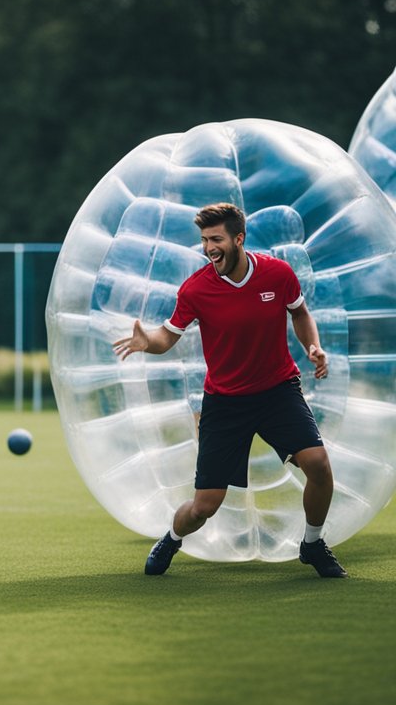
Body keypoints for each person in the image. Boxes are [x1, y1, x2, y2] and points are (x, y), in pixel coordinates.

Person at [113, 202, 346, 578]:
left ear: (239, 239)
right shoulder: (195, 289)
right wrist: (147, 341)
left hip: (278, 391)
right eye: (204, 240)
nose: (209, 248)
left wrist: (312, 347)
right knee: (204, 507)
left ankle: (313, 544)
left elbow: (299, 312)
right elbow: (166, 337)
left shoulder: (277, 274)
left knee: (319, 466)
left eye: (216, 239)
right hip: (225, 403)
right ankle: (172, 538)